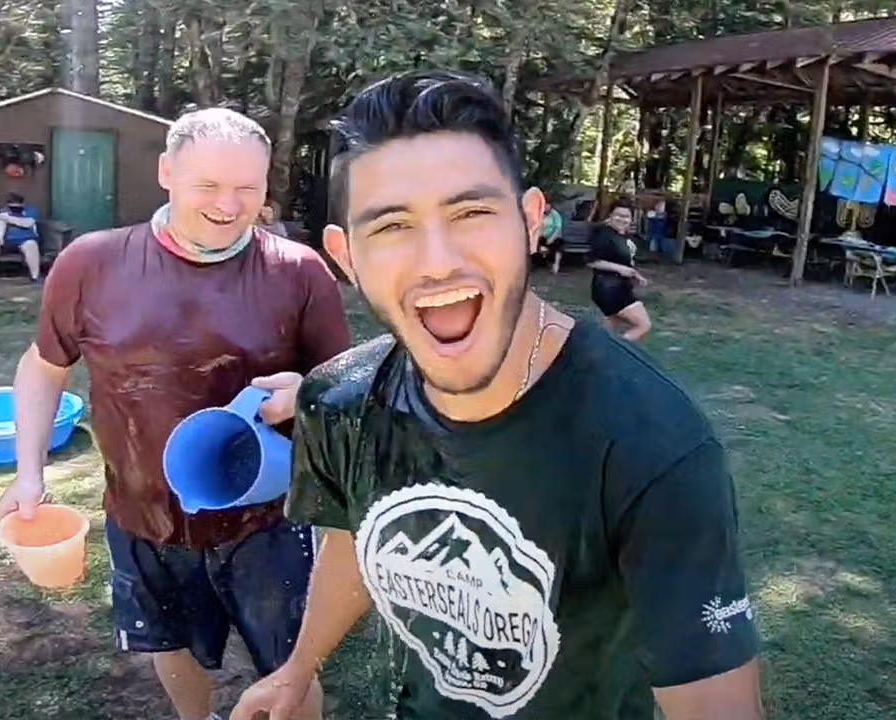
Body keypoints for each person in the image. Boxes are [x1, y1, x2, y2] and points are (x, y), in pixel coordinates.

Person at [231, 70, 762, 720]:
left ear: (531, 221)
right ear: (345, 255)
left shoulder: (651, 446)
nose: (437, 261)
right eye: (392, 226)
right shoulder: (338, 402)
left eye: (472, 212)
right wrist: (298, 668)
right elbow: (355, 531)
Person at [0, 107, 349, 720]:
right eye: (207, 185)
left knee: (290, 662)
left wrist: (309, 391)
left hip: (267, 516)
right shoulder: (91, 263)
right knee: (170, 641)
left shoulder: (298, 270)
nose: (228, 204)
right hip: (140, 513)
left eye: (248, 188)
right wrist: (30, 470)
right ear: (165, 172)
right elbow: (45, 366)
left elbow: (343, 386)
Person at [588, 198, 652, 341]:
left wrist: (636, 275)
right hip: (609, 288)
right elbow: (591, 261)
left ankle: (597, 354)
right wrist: (619, 268)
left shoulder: (622, 236)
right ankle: (617, 352)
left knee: (608, 330)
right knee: (643, 324)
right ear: (610, 215)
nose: (622, 219)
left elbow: (624, 261)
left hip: (618, 286)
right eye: (618, 215)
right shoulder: (604, 234)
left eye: (626, 216)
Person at [0, 192, 42, 283]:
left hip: (24, 240)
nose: (14, 209)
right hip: (5, 242)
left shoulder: (31, 211)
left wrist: (8, 218)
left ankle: (35, 277)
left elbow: (27, 223)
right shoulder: (3, 212)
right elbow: (0, 228)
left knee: (31, 245)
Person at [539, 198, 564, 273]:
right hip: (542, 236)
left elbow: (558, 228)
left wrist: (551, 238)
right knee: (540, 245)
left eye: (547, 205)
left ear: (550, 206)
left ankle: (556, 264)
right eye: (544, 205)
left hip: (554, 236)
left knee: (557, 245)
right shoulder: (539, 214)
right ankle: (545, 261)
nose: (545, 207)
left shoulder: (555, 214)